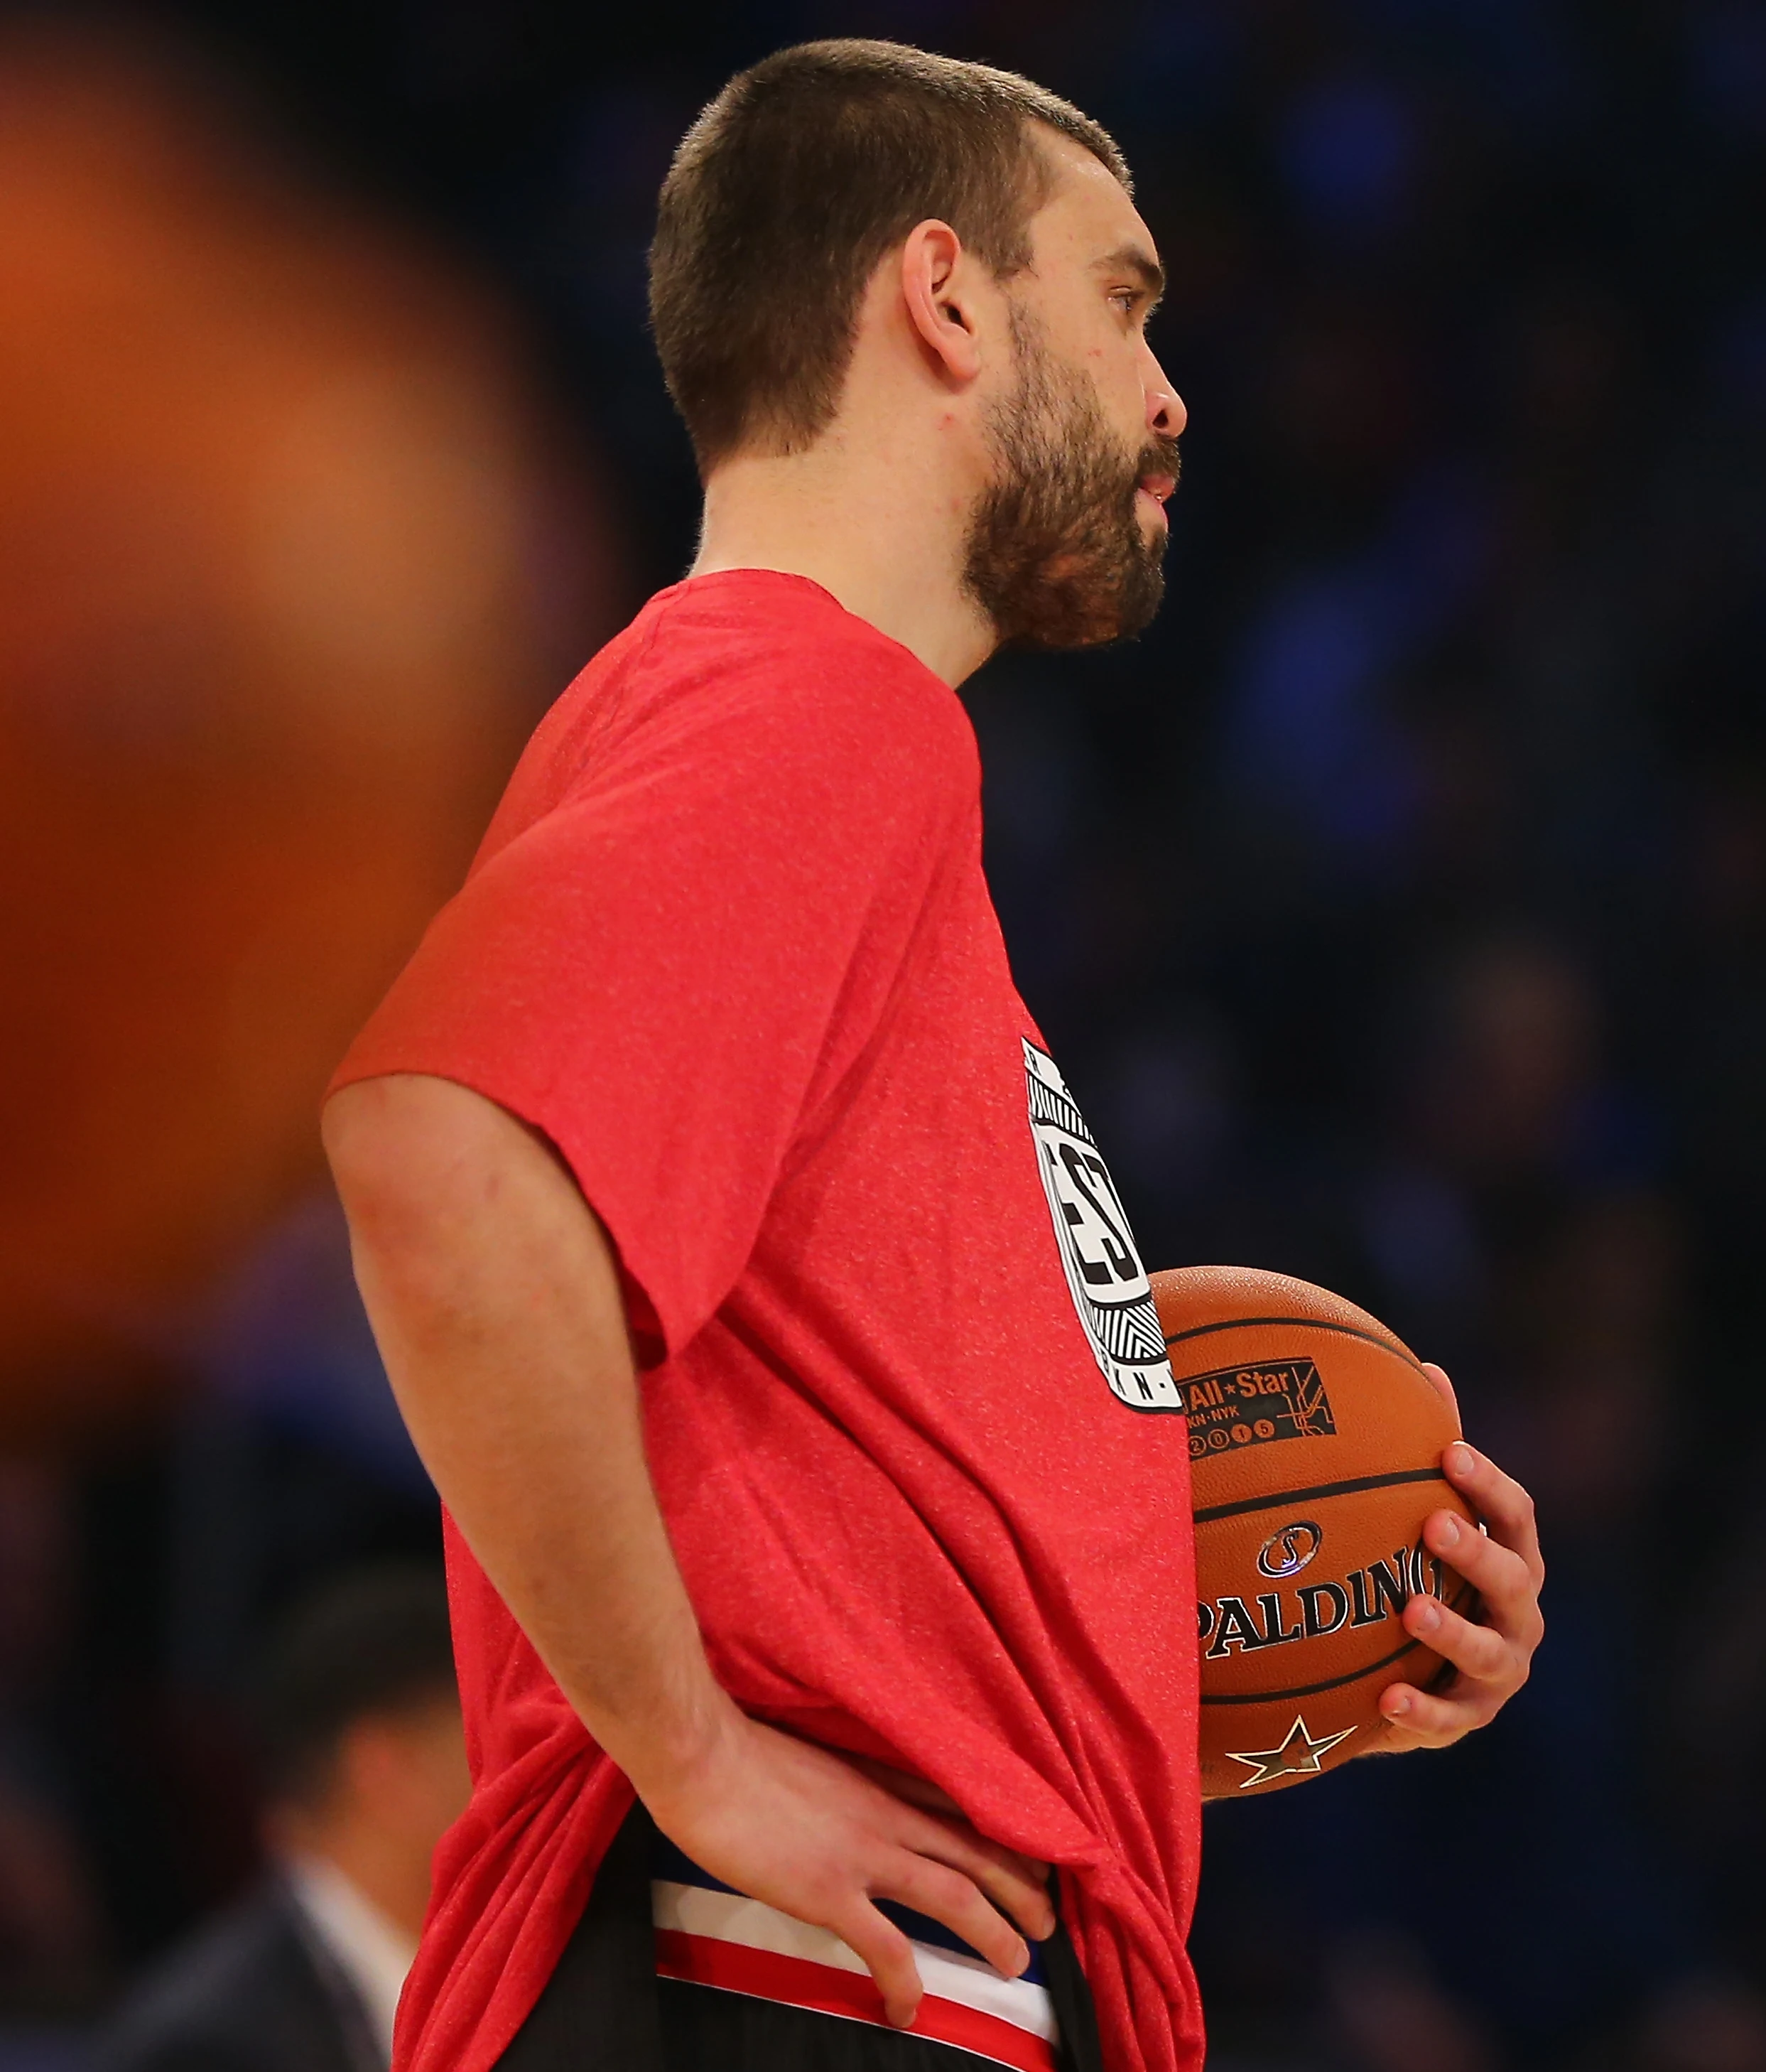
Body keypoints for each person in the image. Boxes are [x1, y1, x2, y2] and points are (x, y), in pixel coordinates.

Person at [320, 41, 1547, 2072]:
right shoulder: (808, 702)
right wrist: (701, 1751)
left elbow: (823, 1486)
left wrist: (1286, 1604)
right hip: (795, 1980)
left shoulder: (779, 741)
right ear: (947, 297)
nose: (1172, 393)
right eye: (1128, 298)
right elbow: (443, 1162)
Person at [98, 1568, 470, 2072]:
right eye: (490, 1749)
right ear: (390, 1770)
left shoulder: (527, 1981)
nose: (525, 1782)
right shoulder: (211, 2045)